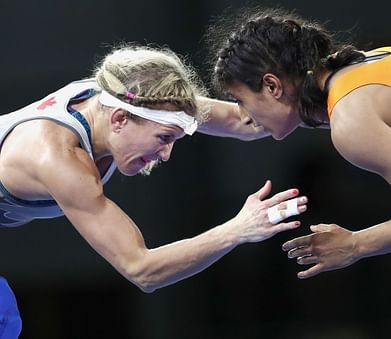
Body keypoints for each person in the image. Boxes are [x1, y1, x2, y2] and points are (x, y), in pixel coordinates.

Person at [201, 7, 391, 339]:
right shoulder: (358, 71)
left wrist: (355, 244)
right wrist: (167, 108)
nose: (245, 116)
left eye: (240, 100)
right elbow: (240, 123)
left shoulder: (350, 121)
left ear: (272, 85)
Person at [0, 44, 309, 338]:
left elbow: (250, 120)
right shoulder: (59, 159)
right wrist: (238, 230)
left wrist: (337, 96)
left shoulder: (133, 94)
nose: (166, 154)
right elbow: (142, 270)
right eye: (163, 138)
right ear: (119, 120)